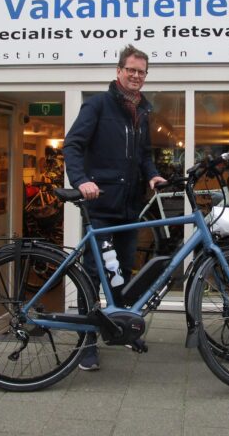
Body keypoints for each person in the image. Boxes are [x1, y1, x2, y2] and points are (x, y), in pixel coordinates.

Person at [63, 44, 166, 371]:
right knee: (93, 276)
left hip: (129, 210)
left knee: (122, 274)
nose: (136, 76)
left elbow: (144, 154)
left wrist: (152, 175)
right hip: (101, 206)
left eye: (141, 72)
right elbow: (72, 145)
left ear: (145, 76)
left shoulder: (142, 111)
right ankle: (86, 343)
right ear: (119, 71)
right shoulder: (98, 105)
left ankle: (122, 327)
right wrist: (81, 180)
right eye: (130, 70)